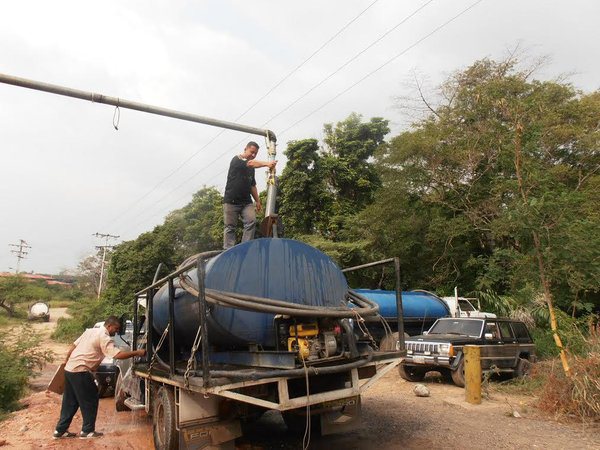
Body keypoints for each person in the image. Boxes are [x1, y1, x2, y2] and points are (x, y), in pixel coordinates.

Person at [53, 316, 145, 439]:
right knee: (90, 399)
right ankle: (87, 431)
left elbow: (73, 347)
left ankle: (60, 430)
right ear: (109, 326)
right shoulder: (104, 337)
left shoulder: (90, 331)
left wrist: (66, 362)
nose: (116, 332)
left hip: (70, 369)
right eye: (116, 329)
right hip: (81, 370)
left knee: (70, 402)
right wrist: (137, 353)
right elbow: (117, 355)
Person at [223, 141, 277, 249]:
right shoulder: (237, 160)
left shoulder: (251, 169)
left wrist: (257, 201)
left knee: (251, 221)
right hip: (231, 201)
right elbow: (251, 163)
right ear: (245, 149)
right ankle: (228, 251)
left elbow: (252, 185)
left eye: (255, 153)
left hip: (246, 202)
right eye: (251, 152)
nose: (253, 155)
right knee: (230, 227)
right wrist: (267, 164)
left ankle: (245, 247)